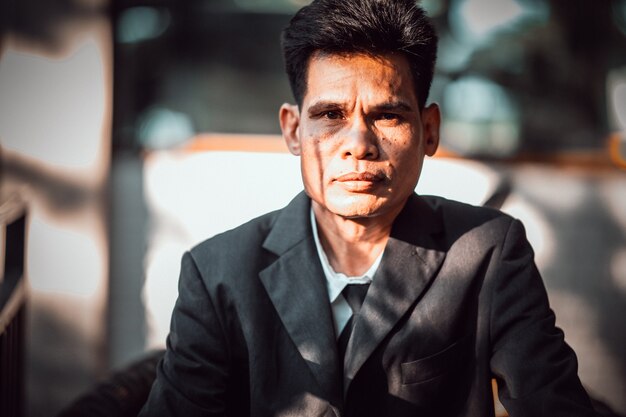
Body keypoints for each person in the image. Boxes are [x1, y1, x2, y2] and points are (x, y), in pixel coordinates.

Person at [140, 0, 598, 415]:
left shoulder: (488, 254)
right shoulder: (217, 272)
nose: (358, 145)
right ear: (294, 130)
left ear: (430, 129)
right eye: (330, 116)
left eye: (388, 115)